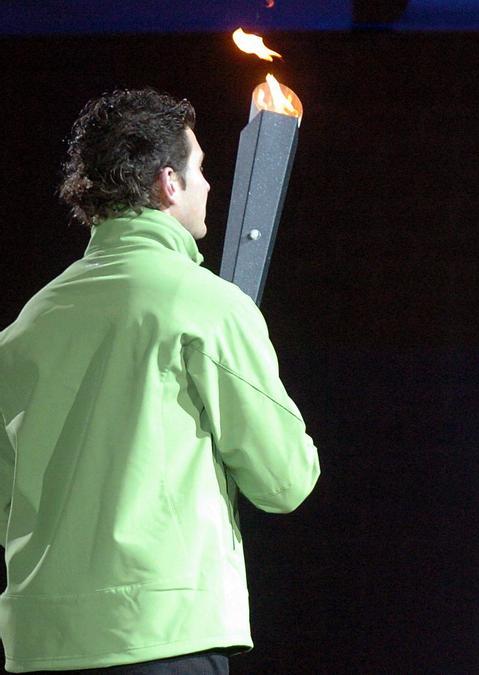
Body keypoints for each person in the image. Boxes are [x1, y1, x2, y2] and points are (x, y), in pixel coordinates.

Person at [0, 88, 320, 673]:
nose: (208, 187)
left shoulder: (27, 326)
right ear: (168, 183)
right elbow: (285, 479)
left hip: (42, 645)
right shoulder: (207, 307)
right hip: (164, 638)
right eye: (199, 170)